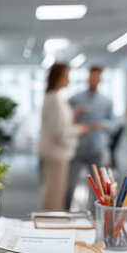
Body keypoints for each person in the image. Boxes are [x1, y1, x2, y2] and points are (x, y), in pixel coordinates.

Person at [39, 63, 89, 210]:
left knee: (54, 192)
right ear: (58, 78)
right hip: (57, 153)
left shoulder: (53, 98)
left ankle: (52, 225)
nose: (68, 80)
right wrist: (80, 129)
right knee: (55, 195)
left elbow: (58, 123)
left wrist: (72, 115)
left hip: (55, 153)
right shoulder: (54, 99)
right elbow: (59, 132)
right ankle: (51, 226)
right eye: (66, 76)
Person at [66, 66, 114, 211]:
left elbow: (113, 124)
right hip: (77, 148)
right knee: (69, 185)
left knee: (98, 189)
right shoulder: (75, 99)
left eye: (96, 78)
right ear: (88, 78)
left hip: (96, 148)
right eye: (91, 77)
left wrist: (103, 125)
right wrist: (75, 113)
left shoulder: (107, 101)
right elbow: (65, 120)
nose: (93, 80)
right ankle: (66, 213)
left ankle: (95, 217)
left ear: (100, 79)